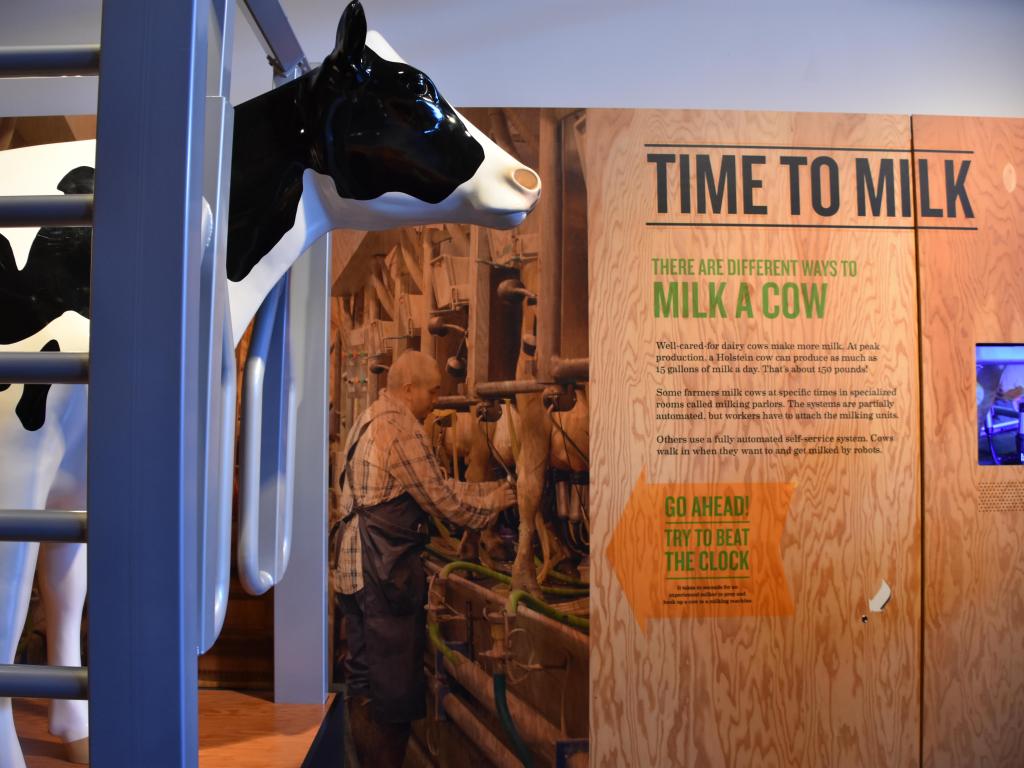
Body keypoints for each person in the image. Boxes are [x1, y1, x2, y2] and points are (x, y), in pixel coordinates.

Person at [334, 350, 515, 767]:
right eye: (433, 391)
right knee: (390, 693)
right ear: (409, 389)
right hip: (381, 575)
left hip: (356, 571)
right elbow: (442, 502)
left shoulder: (371, 416)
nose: (437, 400)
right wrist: (490, 508)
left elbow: (434, 484)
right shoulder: (401, 429)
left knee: (364, 681)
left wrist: (484, 490)